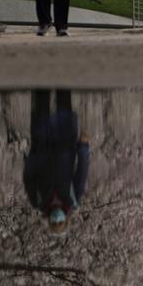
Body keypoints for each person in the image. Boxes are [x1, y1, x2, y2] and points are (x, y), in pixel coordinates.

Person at [23, 89, 90, 231]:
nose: (57, 219)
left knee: (41, 104)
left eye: (54, 223)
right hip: (65, 148)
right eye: (61, 222)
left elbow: (28, 178)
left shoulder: (38, 202)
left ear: (49, 221)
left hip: (41, 147)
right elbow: (82, 172)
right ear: (66, 219)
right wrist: (83, 147)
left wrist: (32, 156)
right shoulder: (73, 199)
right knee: (64, 103)